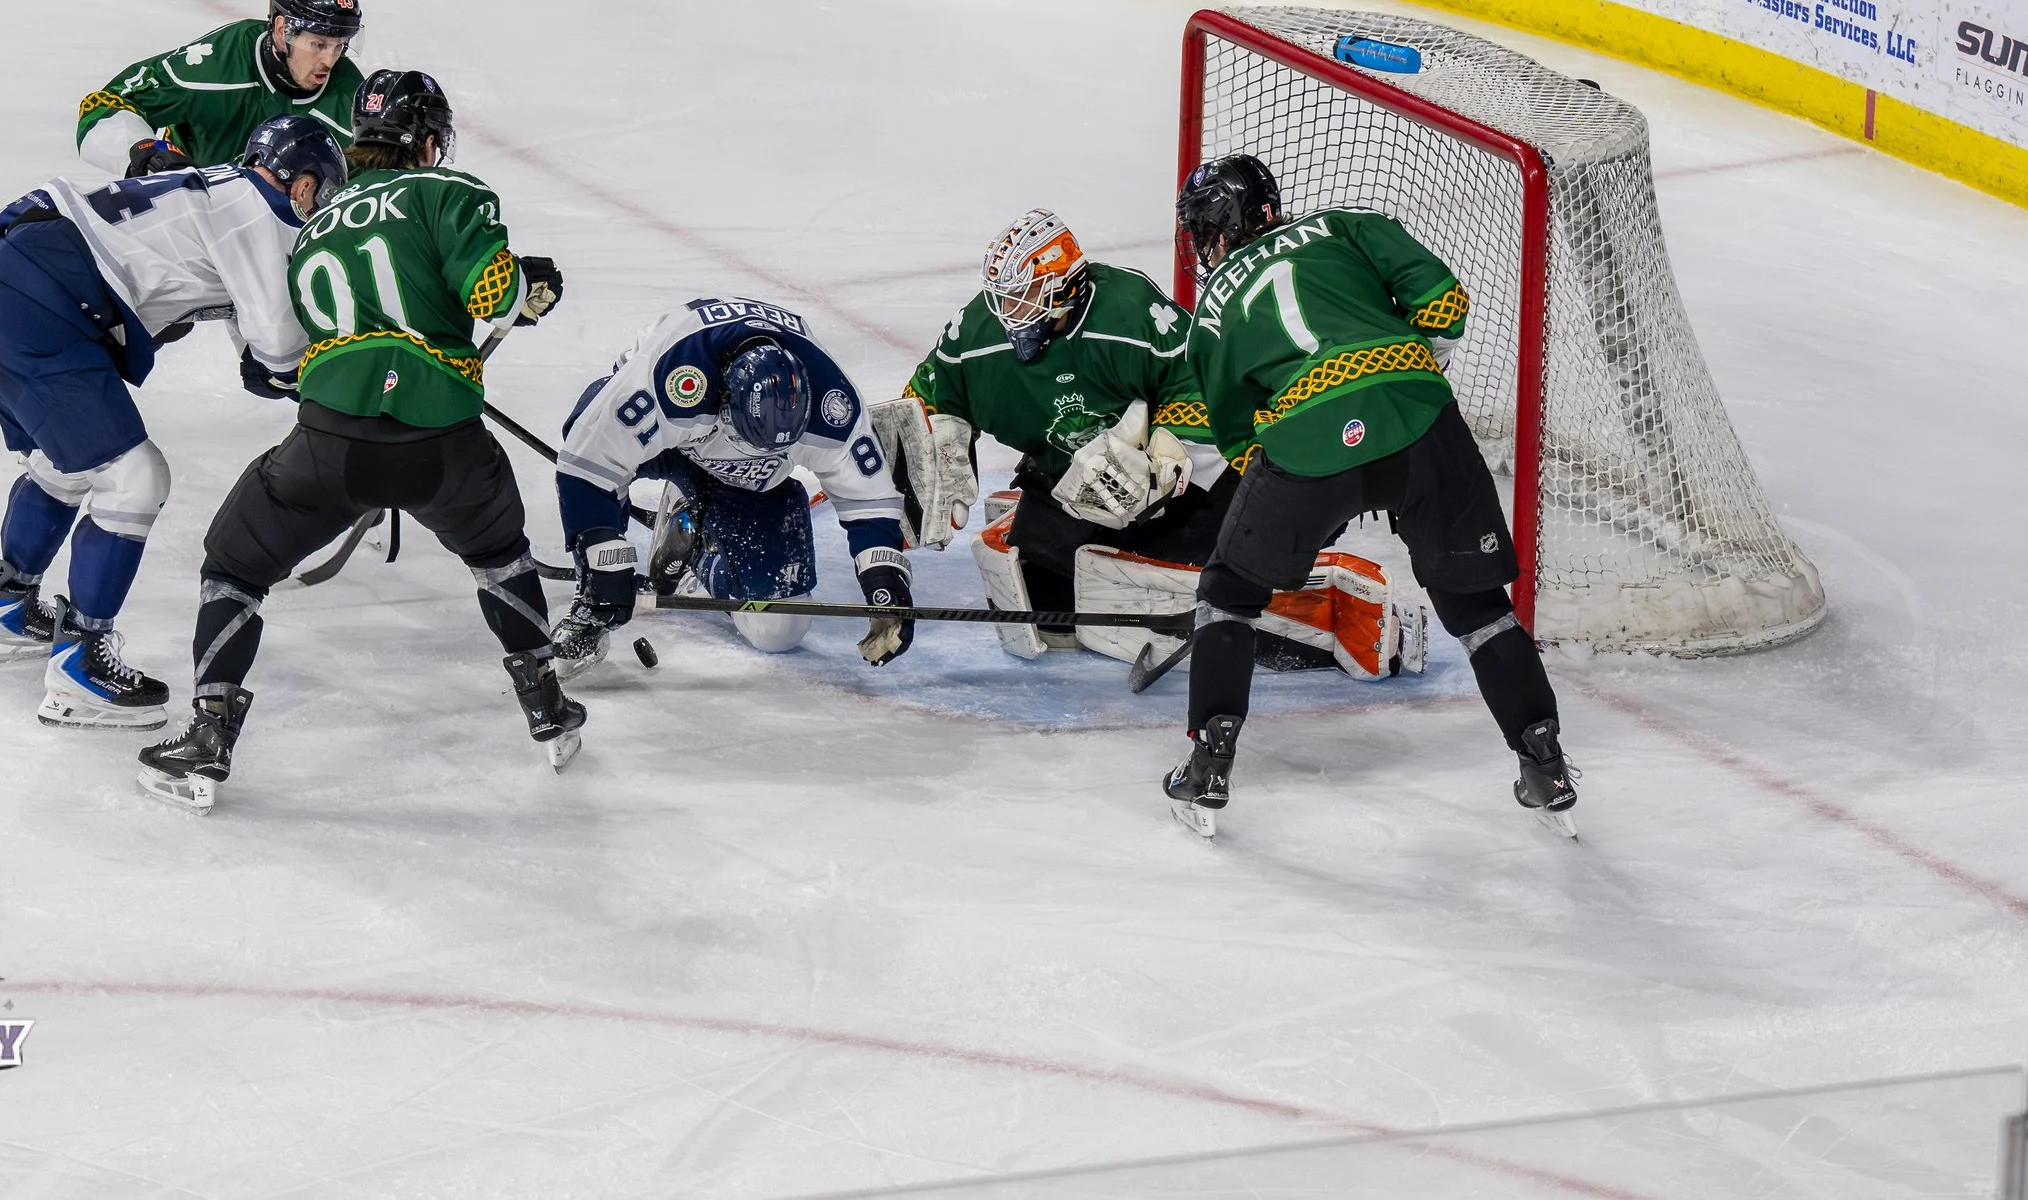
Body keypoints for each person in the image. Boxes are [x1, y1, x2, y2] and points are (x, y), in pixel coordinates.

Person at [137, 72, 567, 810]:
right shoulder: (449, 190)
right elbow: (494, 295)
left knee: (233, 568)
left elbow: (283, 354)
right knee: (498, 554)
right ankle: (547, 705)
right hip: (444, 441)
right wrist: (532, 288)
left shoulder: (316, 227)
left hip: (330, 441)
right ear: (429, 141)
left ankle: (210, 734)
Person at [1159, 155, 1575, 840]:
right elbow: (1445, 304)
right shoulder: (1347, 224)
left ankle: (1208, 766)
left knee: (1229, 593)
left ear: (1224, 230)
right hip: (1419, 420)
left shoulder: (1212, 305)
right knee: (1478, 613)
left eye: (1206, 231)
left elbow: (1237, 436)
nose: (1205, 246)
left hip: (1307, 440)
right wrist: (1399, 380)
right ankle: (1546, 766)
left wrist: (1301, 503)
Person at [0, 114, 347, 732]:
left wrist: (271, 361)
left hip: (3, 286)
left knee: (67, 463)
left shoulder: (225, 194)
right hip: (42, 302)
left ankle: (6, 607)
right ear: (302, 185)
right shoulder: (260, 212)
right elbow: (278, 347)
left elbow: (253, 330)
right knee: (135, 478)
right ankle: (81, 665)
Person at [888, 210, 1229, 657]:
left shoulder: (1132, 311)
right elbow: (925, 400)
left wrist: (1169, 452)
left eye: (1022, 295)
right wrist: (922, 456)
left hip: (1157, 486)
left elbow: (1200, 376)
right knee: (1048, 617)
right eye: (1002, 296)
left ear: (1065, 286)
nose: (1006, 311)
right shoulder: (973, 334)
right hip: (1064, 485)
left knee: (1207, 571)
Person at [550, 299, 914, 671]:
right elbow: (589, 461)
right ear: (723, 396)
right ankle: (589, 607)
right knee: (595, 421)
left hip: (749, 483)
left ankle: (694, 546)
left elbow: (869, 496)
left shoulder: (834, 405)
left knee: (779, 630)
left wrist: (883, 577)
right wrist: (603, 563)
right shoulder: (672, 377)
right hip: (668, 445)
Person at [77, 0, 366, 176]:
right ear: (282, 31)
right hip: (191, 217)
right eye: (318, 44)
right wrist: (143, 150)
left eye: (340, 45)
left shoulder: (350, 97)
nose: (330, 60)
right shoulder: (218, 64)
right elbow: (104, 104)